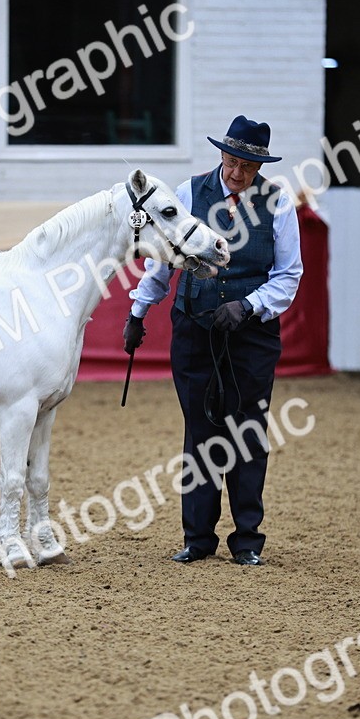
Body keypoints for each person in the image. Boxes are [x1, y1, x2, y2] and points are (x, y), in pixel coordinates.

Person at [123, 115, 302, 566]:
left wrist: (248, 306)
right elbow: (163, 260)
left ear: (259, 166)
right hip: (194, 329)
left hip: (252, 335)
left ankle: (246, 540)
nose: (237, 172)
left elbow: (288, 275)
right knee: (200, 430)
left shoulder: (279, 204)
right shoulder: (187, 192)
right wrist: (138, 311)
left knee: (247, 431)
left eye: (247, 165)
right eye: (232, 159)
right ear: (222, 152)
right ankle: (198, 538)